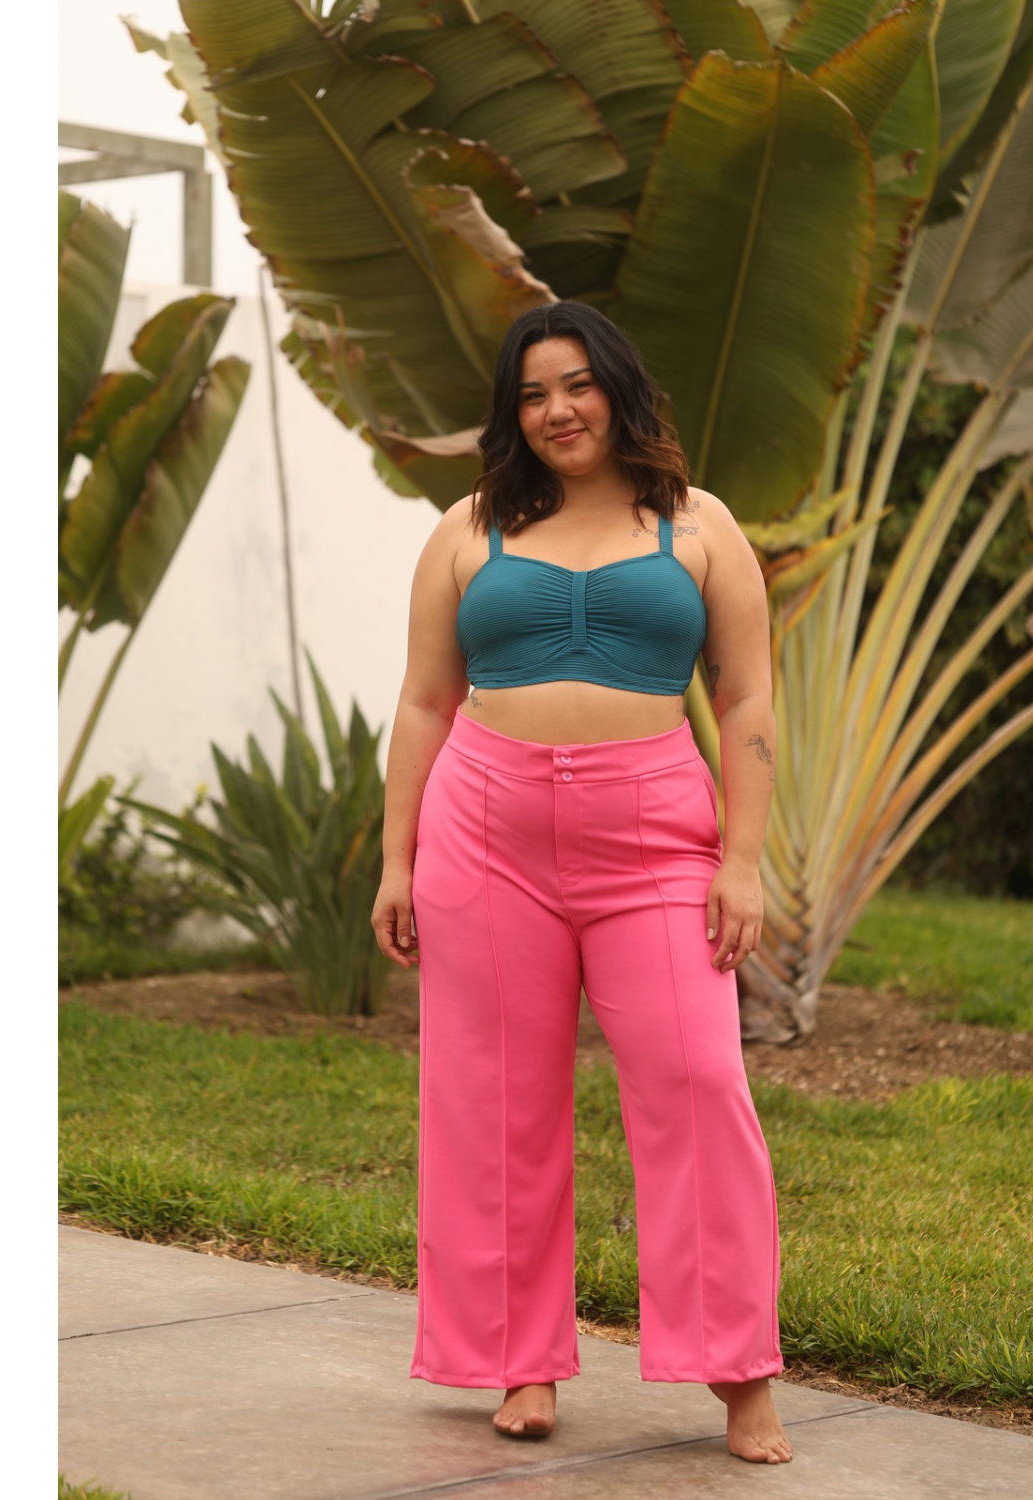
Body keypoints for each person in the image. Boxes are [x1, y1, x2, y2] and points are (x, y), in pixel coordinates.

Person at [371, 301, 792, 1465]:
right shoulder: (469, 528)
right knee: (493, 1097)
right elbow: (424, 700)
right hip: (484, 829)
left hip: (654, 832)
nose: (557, 411)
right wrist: (398, 857)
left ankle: (740, 1371)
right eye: (531, 395)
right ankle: (522, 1360)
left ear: (617, 387)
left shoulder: (698, 524)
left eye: (576, 385)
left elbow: (747, 698)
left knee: (700, 1080)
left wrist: (742, 860)